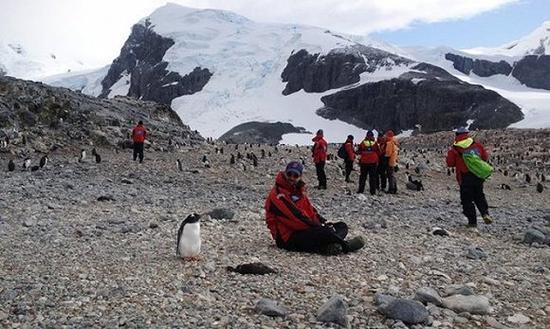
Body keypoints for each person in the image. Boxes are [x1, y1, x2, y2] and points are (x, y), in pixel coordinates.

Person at [264, 161, 365, 255]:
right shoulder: (278, 195)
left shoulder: (298, 191)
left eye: (295, 175)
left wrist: (323, 222)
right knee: (325, 232)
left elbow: (310, 210)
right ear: (285, 173)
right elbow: (295, 218)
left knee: (341, 226)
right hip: (287, 238)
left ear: (300, 177)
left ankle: (328, 247)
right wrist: (318, 227)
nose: (292, 177)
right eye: (289, 174)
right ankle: (345, 246)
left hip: (302, 230)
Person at [446, 127, 493, 227]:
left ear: (457, 135)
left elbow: (450, 163)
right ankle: (485, 213)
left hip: (464, 176)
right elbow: (484, 157)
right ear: (467, 134)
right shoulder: (477, 144)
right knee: (479, 195)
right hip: (477, 175)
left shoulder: (455, 148)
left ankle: (472, 222)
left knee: (467, 200)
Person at [357, 131, 380, 195]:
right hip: (373, 162)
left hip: (364, 162)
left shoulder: (363, 142)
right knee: (372, 177)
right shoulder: (375, 143)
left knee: (363, 176)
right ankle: (372, 191)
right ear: (372, 136)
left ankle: (361, 190)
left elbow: (359, 151)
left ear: (366, 136)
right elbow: (378, 152)